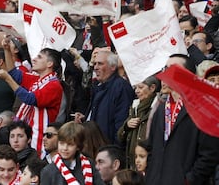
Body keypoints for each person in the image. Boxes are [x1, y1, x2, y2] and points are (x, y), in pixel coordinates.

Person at [145, 54, 219, 185]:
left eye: (171, 68)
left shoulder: (202, 109)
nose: (165, 74)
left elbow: (209, 153)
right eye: (165, 68)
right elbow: (151, 150)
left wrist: (189, 180)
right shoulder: (160, 110)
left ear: (187, 75)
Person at [0, 46, 63, 157]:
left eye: (39, 57)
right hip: (25, 135)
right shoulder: (38, 80)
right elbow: (15, 74)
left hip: (38, 139)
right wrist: (7, 49)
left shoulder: (54, 85)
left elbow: (29, 99)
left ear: (50, 64)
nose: (34, 59)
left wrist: (7, 79)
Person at [75, 50, 135, 145]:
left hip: (107, 149)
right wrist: (85, 118)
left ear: (113, 67)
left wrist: (113, 150)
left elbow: (121, 122)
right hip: (94, 147)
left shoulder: (121, 87)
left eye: (100, 64)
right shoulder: (98, 85)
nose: (95, 68)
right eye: (95, 64)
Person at [117, 75, 161, 169]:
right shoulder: (135, 107)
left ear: (152, 88)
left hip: (149, 164)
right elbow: (120, 136)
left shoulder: (158, 108)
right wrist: (126, 126)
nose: (136, 91)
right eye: (135, 87)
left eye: (140, 87)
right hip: (132, 164)